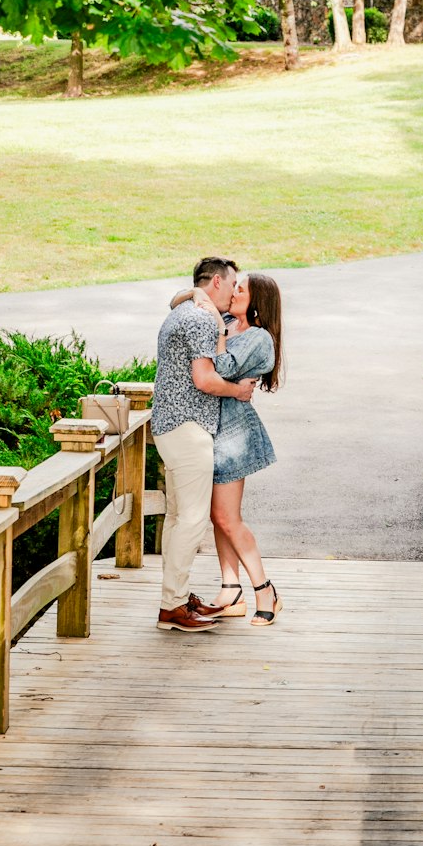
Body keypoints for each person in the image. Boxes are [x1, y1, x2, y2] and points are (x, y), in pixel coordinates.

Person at [151, 256, 257, 633]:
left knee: (179, 518)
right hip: (188, 427)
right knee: (192, 520)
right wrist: (239, 391)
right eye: (231, 285)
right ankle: (173, 608)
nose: (233, 292)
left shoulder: (186, 310)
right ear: (215, 283)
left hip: (170, 426)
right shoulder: (197, 317)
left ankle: (175, 598)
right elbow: (204, 378)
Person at [174, 271, 284, 627]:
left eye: (242, 289)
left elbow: (219, 368)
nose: (234, 292)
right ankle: (230, 590)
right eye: (233, 286)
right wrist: (197, 293)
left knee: (227, 518)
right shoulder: (224, 320)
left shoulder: (258, 338)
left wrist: (218, 335)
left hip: (234, 437)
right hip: (210, 432)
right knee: (216, 517)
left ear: (258, 301)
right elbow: (176, 301)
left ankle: (265, 590)